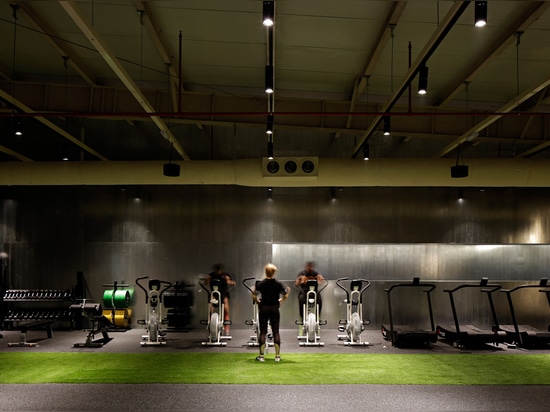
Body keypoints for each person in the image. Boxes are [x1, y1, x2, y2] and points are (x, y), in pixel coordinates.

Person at [252, 263, 290, 362]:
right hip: (274, 309)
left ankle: (261, 356)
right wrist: (281, 300)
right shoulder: (278, 284)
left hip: (263, 308)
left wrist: (257, 301)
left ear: (266, 272)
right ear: (274, 273)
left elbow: (254, 295)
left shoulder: (261, 284)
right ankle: (277, 356)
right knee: (276, 331)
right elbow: (285, 295)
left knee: (263, 332)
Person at [206, 263, 235, 334]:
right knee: (211, 310)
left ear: (221, 270)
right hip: (214, 294)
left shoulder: (225, 275)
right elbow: (206, 283)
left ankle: (226, 329)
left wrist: (229, 281)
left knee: (226, 310)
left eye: (219, 270)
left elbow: (233, 283)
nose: (218, 271)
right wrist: (208, 280)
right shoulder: (211, 275)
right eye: (217, 270)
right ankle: (211, 326)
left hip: (224, 294)